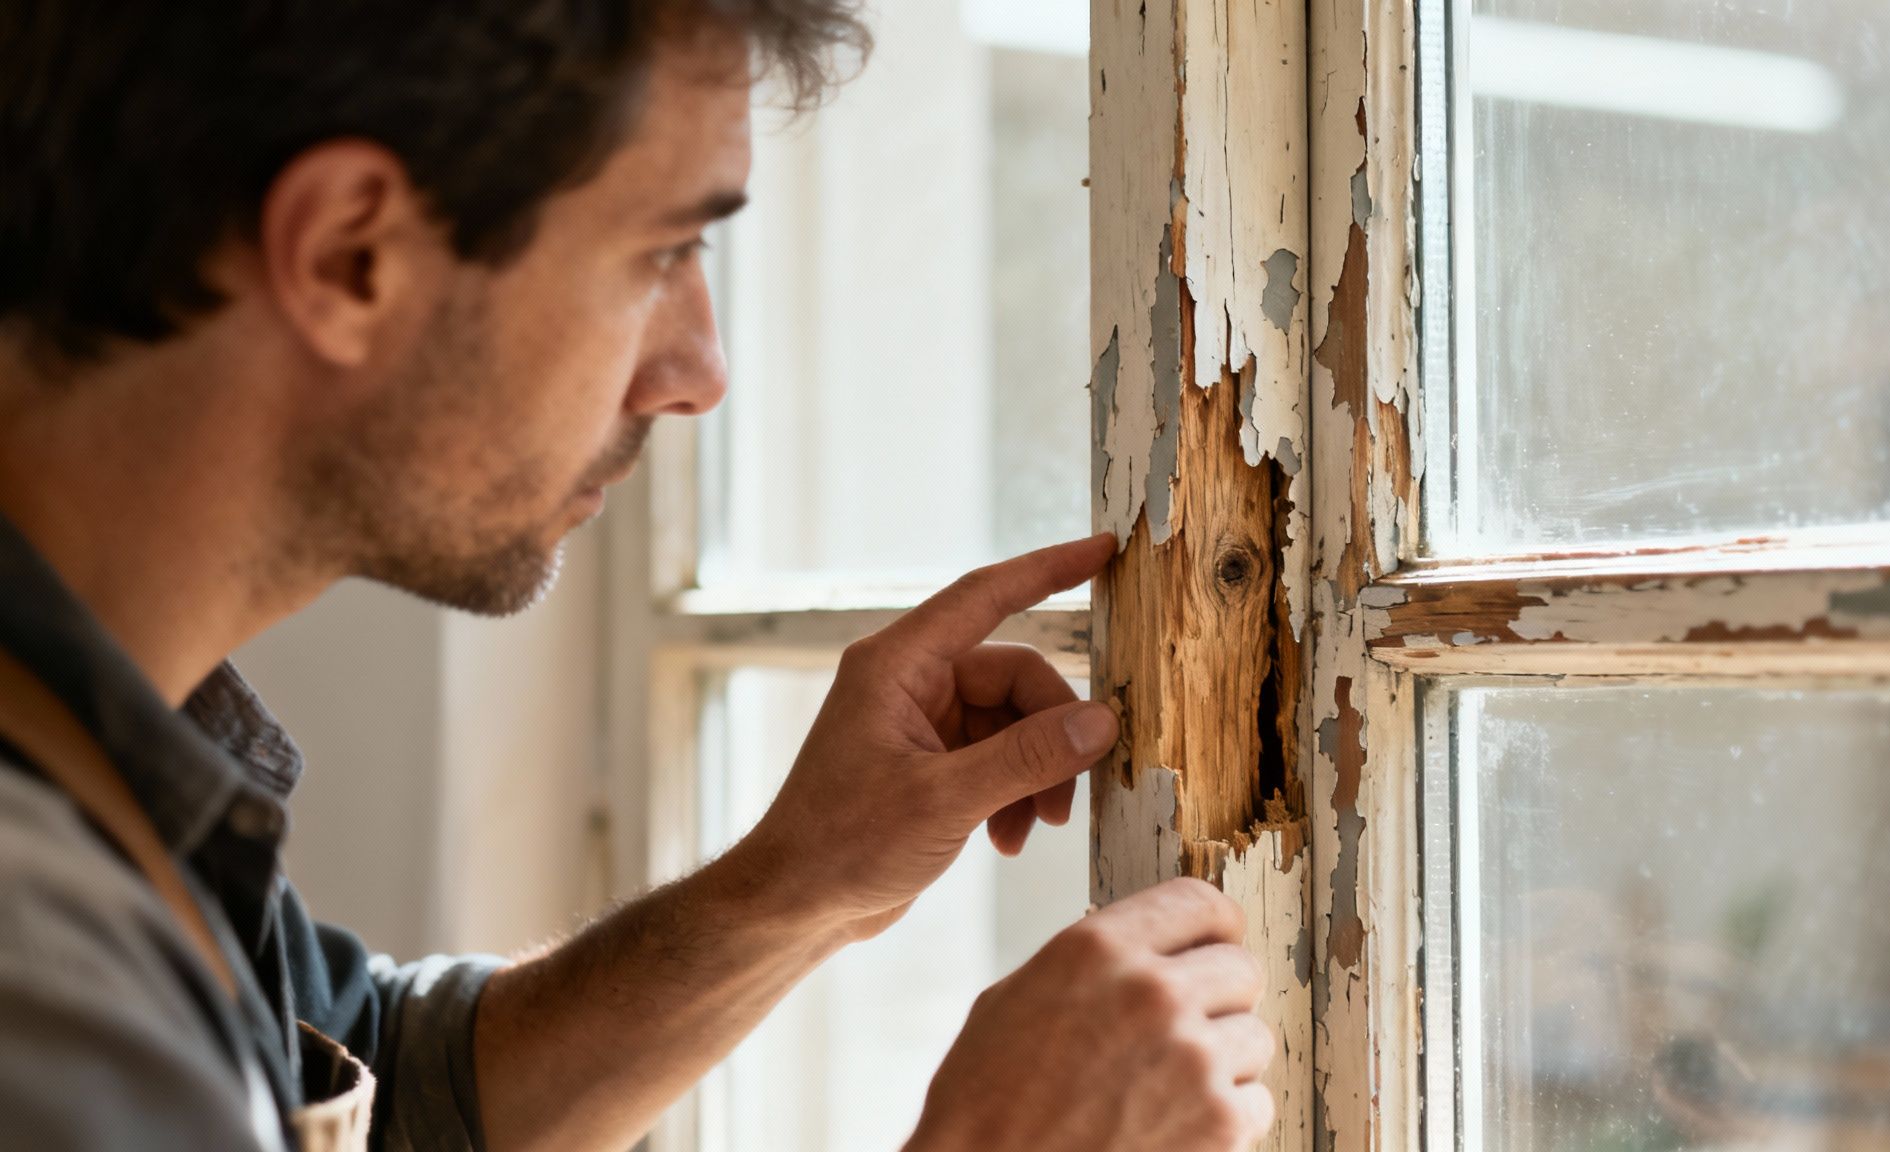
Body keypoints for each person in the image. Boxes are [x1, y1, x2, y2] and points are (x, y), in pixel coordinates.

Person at [0, 2, 1278, 1150]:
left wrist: (798, 886)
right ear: (348, 256)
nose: (698, 371)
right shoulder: (42, 987)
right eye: (661, 252)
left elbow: (384, 1091)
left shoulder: (109, 759)